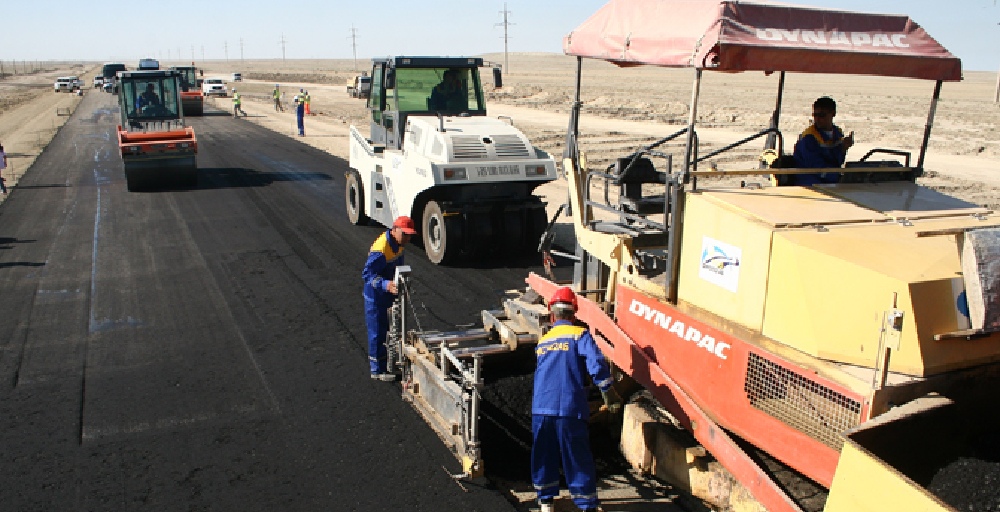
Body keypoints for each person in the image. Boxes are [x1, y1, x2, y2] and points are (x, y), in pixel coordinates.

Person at [532, 287, 622, 512]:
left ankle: (545, 502)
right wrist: (609, 392)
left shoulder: (543, 342)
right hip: (570, 409)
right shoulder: (580, 335)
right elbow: (596, 364)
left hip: (541, 409)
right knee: (577, 456)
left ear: (552, 315)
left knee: (544, 455)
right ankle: (586, 504)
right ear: (574, 314)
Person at [362, 216, 417, 381]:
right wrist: (385, 285)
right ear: (394, 230)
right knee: (377, 333)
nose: (408, 238)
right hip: (376, 297)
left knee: (391, 330)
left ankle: (389, 363)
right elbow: (367, 274)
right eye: (405, 234)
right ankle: (377, 370)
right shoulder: (381, 249)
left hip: (389, 294)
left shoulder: (399, 245)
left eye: (410, 235)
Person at [791, 96, 854, 186]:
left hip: (829, 181)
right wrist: (837, 178)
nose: (817, 119)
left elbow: (836, 162)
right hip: (809, 182)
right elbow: (816, 168)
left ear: (833, 114)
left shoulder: (837, 134)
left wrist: (843, 148)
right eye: (815, 115)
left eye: (821, 115)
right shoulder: (809, 137)